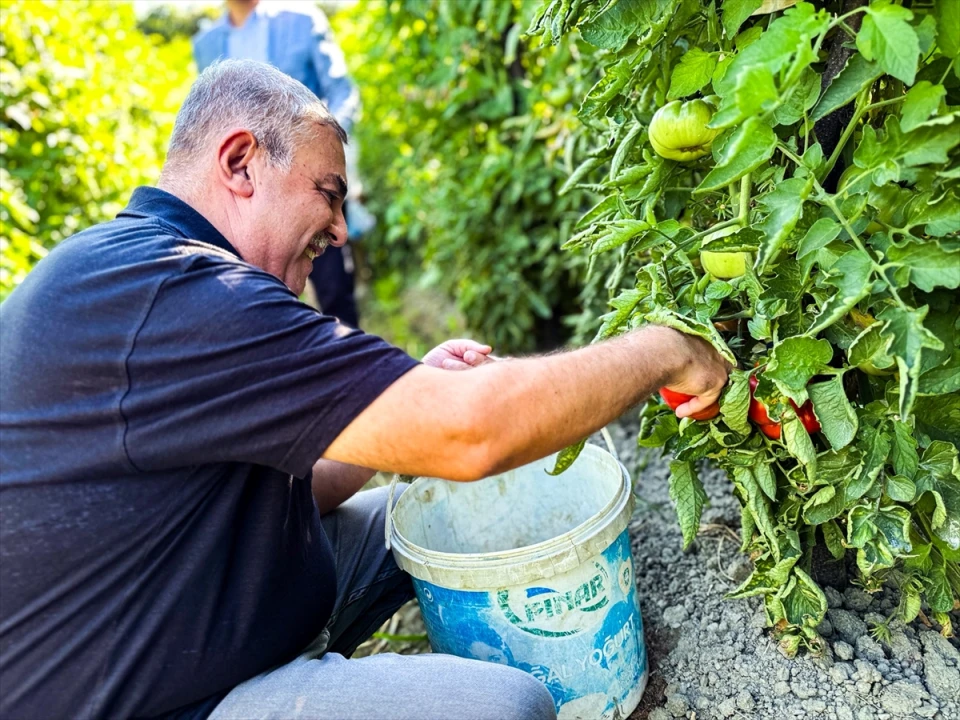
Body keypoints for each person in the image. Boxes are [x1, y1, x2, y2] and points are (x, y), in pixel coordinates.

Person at [0, 61, 730, 720]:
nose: (341, 230)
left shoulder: (141, 273)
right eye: (328, 193)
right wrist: (665, 351)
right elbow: (472, 433)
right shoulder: (179, 295)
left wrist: (408, 400)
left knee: (433, 517)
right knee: (504, 709)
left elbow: (303, 482)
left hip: (188, 612)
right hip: (158, 699)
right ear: (240, 162)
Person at [193, 0, 362, 327]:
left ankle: (355, 371)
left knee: (335, 293)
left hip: (308, 190)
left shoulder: (301, 20)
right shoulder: (206, 44)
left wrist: (323, 156)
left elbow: (343, 93)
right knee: (248, 301)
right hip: (242, 200)